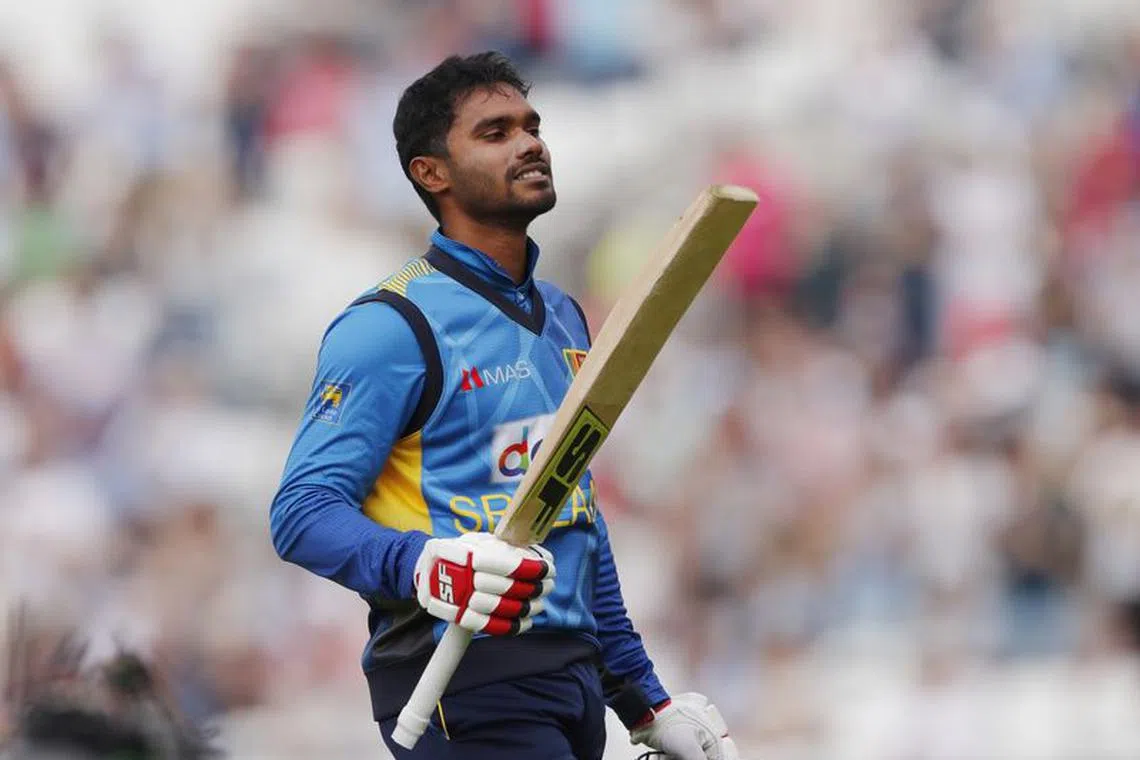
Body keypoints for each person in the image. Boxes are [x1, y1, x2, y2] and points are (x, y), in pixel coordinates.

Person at [270, 52, 738, 760]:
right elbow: (301, 512)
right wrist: (423, 563)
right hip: (458, 680)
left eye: (531, 125)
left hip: (571, 681)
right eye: (495, 132)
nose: (529, 143)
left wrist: (644, 700)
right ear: (432, 172)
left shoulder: (562, 318)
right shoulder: (392, 326)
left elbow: (572, 512)